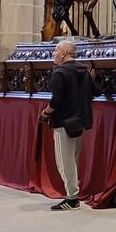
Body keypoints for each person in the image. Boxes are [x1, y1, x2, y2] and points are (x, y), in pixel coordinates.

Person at [41, 40, 97, 211]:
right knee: (73, 159)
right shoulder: (85, 71)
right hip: (79, 121)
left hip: (63, 122)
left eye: (56, 50)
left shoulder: (59, 73)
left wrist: (46, 112)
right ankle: (73, 194)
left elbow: (56, 100)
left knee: (65, 163)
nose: (53, 53)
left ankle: (72, 198)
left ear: (64, 53)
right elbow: (96, 91)